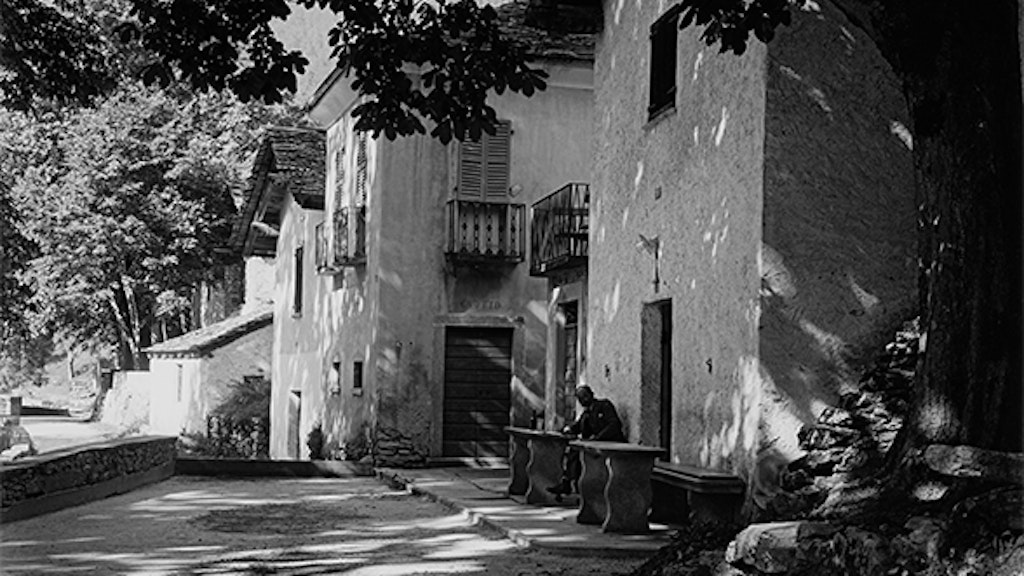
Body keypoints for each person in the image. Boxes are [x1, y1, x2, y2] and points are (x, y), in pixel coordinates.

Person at [547, 385, 625, 496]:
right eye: (580, 398)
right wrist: (567, 429)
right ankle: (568, 482)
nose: (583, 399)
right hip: (596, 444)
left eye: (585, 396)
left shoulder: (604, 406)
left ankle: (573, 485)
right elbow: (577, 426)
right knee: (573, 450)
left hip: (612, 444)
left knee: (580, 453)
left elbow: (614, 425)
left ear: (592, 394)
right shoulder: (586, 413)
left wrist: (598, 438)